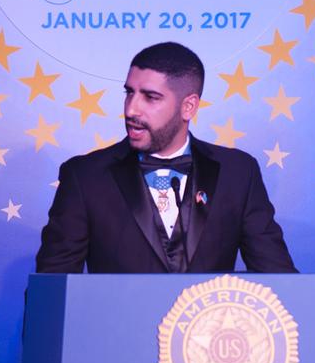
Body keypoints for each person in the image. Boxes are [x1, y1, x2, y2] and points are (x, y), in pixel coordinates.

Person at [35, 42, 296, 273]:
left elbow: (278, 279)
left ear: (188, 106)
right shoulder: (86, 176)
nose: (131, 109)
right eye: (129, 93)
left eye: (150, 97)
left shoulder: (238, 173)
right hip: (117, 329)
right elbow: (50, 291)